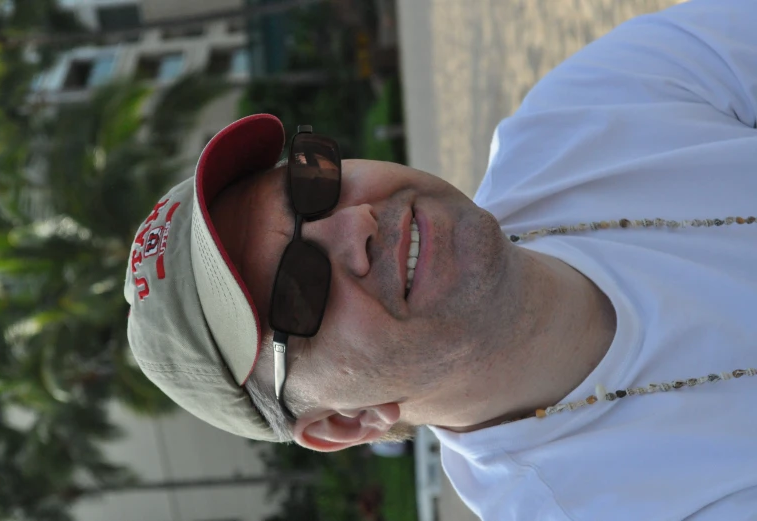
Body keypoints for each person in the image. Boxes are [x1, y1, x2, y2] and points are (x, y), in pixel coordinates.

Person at [124, 0, 757, 519]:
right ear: (347, 424)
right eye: (298, 291)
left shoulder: (593, 110)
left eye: (308, 184)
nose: (356, 225)